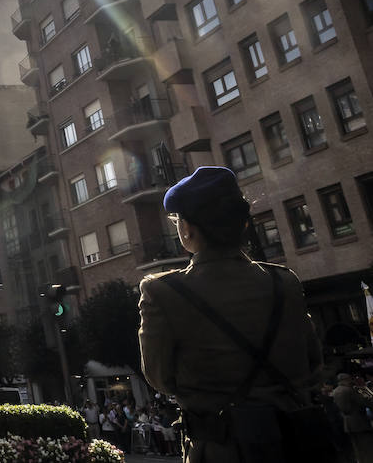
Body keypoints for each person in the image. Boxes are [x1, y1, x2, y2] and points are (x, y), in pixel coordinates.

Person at [139, 166, 326, 463]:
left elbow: (159, 377)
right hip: (297, 442)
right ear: (241, 225)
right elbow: (313, 363)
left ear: (187, 229)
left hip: (221, 448)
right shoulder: (284, 282)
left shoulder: (162, 292)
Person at [334, 373, 373, 463]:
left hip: (348, 424)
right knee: (367, 448)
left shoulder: (336, 391)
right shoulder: (350, 390)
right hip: (360, 423)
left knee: (357, 449)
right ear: (347, 379)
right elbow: (364, 402)